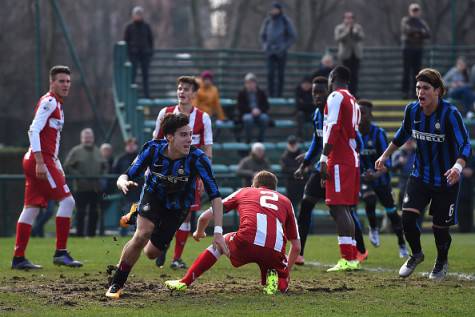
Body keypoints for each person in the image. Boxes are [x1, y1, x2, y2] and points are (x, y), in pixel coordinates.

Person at [106, 113, 227, 299]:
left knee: (152, 253)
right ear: (169, 137)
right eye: (184, 135)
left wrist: (218, 232)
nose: (190, 140)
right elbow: (126, 174)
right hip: (153, 196)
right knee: (141, 235)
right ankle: (117, 283)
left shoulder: (198, 158)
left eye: (191, 134)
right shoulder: (152, 149)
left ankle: (139, 217)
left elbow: (216, 197)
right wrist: (122, 182)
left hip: (178, 207)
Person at [375, 68, 471, 280]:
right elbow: (402, 135)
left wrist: (457, 167)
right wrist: (384, 156)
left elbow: (465, 144)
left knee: (440, 229)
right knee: (407, 219)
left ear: (437, 90)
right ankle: (416, 254)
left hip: (447, 179)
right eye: (418, 87)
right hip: (420, 176)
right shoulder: (412, 111)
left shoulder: (450, 113)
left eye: (426, 88)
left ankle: (441, 261)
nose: (421, 92)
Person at [164, 171, 301, 295]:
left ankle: (185, 282)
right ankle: (278, 278)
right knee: (272, 257)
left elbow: (205, 216)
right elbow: (296, 247)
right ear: (275, 189)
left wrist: (199, 232)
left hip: (246, 241)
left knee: (220, 241)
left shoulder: (244, 191)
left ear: (254, 185)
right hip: (274, 250)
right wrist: (285, 271)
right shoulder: (286, 201)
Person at [12, 65, 82, 269]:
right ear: (52, 82)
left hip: (40, 159)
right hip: (39, 160)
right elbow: (33, 130)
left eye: (68, 81)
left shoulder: (56, 104)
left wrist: (56, 163)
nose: (66, 85)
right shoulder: (50, 102)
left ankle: (18, 258)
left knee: (31, 208)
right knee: (68, 201)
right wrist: (42, 161)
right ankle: (60, 253)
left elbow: (52, 140)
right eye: (61, 81)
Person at [152, 76, 213, 269]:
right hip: (165, 171)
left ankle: (176, 258)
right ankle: (162, 244)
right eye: (179, 88)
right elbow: (156, 143)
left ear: (194, 94)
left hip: (189, 174)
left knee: (184, 214)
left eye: (186, 89)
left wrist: (204, 176)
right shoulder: (165, 113)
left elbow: (207, 150)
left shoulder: (203, 118)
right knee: (161, 211)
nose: (182, 92)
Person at [320, 65, 361, 271]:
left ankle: (347, 258)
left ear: (333, 78)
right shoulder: (353, 100)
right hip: (351, 157)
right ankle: (352, 257)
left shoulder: (336, 96)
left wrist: (323, 158)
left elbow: (333, 127)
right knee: (343, 207)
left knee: (339, 207)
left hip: (339, 157)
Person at [358, 100, 408, 257]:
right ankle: (373, 228)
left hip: (381, 180)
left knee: (392, 213)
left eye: (363, 113)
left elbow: (387, 164)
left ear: (370, 115)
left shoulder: (378, 134)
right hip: (364, 179)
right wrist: (361, 175)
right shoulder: (353, 134)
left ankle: (402, 244)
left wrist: (376, 174)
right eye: (358, 112)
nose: (360, 116)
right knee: (369, 198)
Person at [64, 128, 106, 237]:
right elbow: (68, 166)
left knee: (94, 212)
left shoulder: (98, 151)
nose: (88, 139)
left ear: (93, 138)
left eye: (90, 137)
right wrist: (79, 177)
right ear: (82, 138)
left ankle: (91, 235)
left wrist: (100, 177)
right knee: (80, 212)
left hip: (95, 188)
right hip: (81, 188)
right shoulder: (76, 151)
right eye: (86, 137)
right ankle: (80, 235)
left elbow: (105, 166)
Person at [259, 2, 297, 97]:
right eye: (272, 9)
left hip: (281, 52)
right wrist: (265, 46)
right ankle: (270, 94)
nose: (274, 11)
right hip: (270, 52)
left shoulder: (285, 21)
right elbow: (262, 35)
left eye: (276, 9)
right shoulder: (268, 21)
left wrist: (284, 47)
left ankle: (279, 95)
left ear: (280, 10)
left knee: (280, 74)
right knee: (270, 73)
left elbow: (293, 36)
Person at [400, 3, 430, 99]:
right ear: (410, 11)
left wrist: (416, 32)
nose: (415, 12)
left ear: (419, 12)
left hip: (418, 49)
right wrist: (419, 32)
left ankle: (415, 92)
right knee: (406, 71)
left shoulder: (422, 22)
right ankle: (405, 92)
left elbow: (428, 33)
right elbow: (407, 31)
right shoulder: (406, 20)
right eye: (413, 10)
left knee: (417, 72)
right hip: (408, 49)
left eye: (417, 10)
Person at [124, 6, 154, 98]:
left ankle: (147, 95)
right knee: (132, 75)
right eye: (136, 14)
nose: (138, 16)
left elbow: (150, 40)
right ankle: (131, 95)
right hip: (134, 54)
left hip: (144, 54)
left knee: (145, 75)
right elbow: (126, 41)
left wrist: (150, 52)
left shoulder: (146, 27)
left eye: (139, 14)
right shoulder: (129, 27)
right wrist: (128, 53)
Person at [334, 12, 364, 96]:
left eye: (351, 18)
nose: (349, 20)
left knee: (355, 75)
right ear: (344, 19)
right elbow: (338, 38)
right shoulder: (339, 28)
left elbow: (361, 37)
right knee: (345, 75)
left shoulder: (358, 27)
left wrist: (355, 32)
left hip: (355, 54)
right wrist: (347, 31)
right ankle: (346, 92)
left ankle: (354, 93)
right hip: (345, 55)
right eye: (347, 18)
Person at [236, 73, 270, 143]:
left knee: (265, 118)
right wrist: (251, 110)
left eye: (252, 82)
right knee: (248, 119)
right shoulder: (241, 93)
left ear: (255, 83)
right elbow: (240, 107)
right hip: (247, 113)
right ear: (245, 84)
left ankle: (260, 140)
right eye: (248, 83)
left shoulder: (261, 92)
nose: (250, 85)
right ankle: (248, 140)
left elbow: (266, 105)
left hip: (259, 113)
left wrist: (259, 110)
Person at [280, 135, 305, 208]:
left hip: (303, 183)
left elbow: (309, 167)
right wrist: (299, 169)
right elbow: (284, 170)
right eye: (291, 144)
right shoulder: (284, 157)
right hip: (291, 185)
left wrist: (293, 170)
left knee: (306, 208)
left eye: (294, 143)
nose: (293, 146)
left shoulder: (303, 154)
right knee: (292, 208)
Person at [392, 139, 417, 210]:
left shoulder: (418, 153)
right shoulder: (398, 153)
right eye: (407, 141)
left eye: (410, 141)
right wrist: (399, 163)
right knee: (403, 198)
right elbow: (392, 168)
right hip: (404, 182)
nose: (408, 143)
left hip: (417, 180)